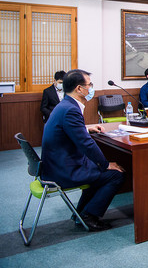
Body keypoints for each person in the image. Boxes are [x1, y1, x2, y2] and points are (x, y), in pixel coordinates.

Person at [41, 69, 125, 231]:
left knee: (97, 172)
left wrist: (87, 129)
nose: (91, 88)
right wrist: (105, 164)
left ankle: (81, 212)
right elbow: (86, 144)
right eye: (90, 85)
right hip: (63, 169)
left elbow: (69, 131)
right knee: (116, 174)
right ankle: (89, 216)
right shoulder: (71, 109)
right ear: (79, 89)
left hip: (55, 164)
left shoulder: (64, 105)